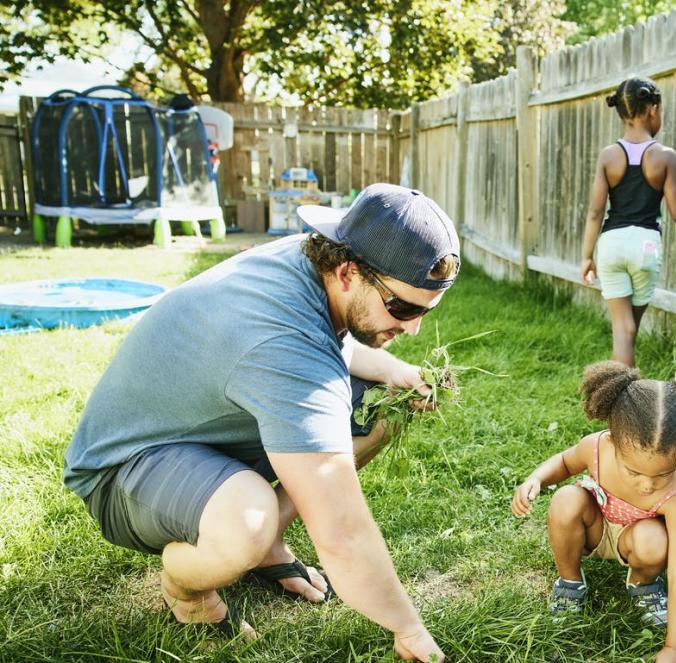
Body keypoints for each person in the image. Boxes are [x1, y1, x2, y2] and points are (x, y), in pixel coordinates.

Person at [63, 183, 458, 662]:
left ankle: (265, 545)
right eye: (403, 308)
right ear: (349, 271)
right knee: (247, 519)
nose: (412, 328)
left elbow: (332, 341)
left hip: (203, 427)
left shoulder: (314, 267)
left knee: (382, 407)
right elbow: (343, 534)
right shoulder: (282, 344)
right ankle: (187, 592)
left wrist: (398, 373)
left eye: (425, 311)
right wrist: (409, 628)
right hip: (124, 470)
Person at [510, 361, 676, 663]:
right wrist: (536, 478)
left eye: (662, 474)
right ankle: (570, 582)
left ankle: (643, 583)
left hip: (636, 539)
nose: (647, 485)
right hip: (594, 527)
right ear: (612, 442)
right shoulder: (597, 447)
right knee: (565, 500)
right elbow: (563, 463)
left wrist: (674, 648)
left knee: (654, 541)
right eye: (633, 471)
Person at [579, 76, 676, 367]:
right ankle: (626, 402)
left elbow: (594, 213)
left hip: (611, 244)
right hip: (645, 246)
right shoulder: (664, 157)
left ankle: (615, 398)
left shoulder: (609, 156)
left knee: (622, 332)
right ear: (652, 109)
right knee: (629, 331)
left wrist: (587, 256)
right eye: (659, 110)